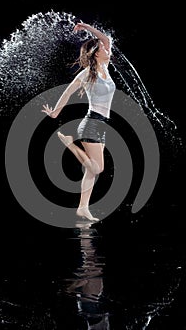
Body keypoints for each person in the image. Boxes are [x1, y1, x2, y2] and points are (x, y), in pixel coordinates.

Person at [42, 22, 116, 222]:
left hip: (102, 124)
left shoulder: (105, 68)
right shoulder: (86, 74)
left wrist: (85, 27)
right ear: (95, 53)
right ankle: (69, 144)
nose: (107, 49)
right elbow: (68, 92)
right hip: (91, 123)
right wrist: (56, 112)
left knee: (92, 170)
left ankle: (83, 207)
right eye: (102, 49)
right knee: (97, 168)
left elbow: (106, 39)